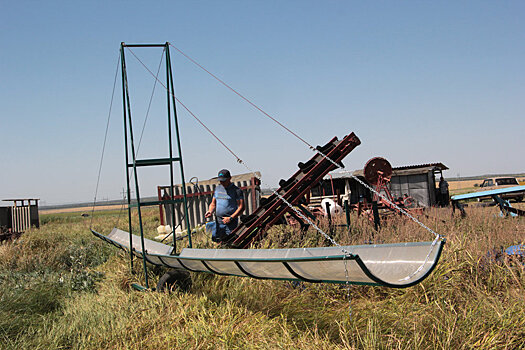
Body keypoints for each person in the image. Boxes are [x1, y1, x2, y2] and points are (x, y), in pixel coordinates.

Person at [205, 169, 245, 242]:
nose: (222, 182)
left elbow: (241, 207)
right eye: (220, 180)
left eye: (224, 180)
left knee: (229, 241)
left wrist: (230, 218)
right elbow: (213, 203)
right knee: (217, 240)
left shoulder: (237, 191)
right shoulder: (217, 189)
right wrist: (210, 211)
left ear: (230, 178)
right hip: (218, 221)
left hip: (230, 223)